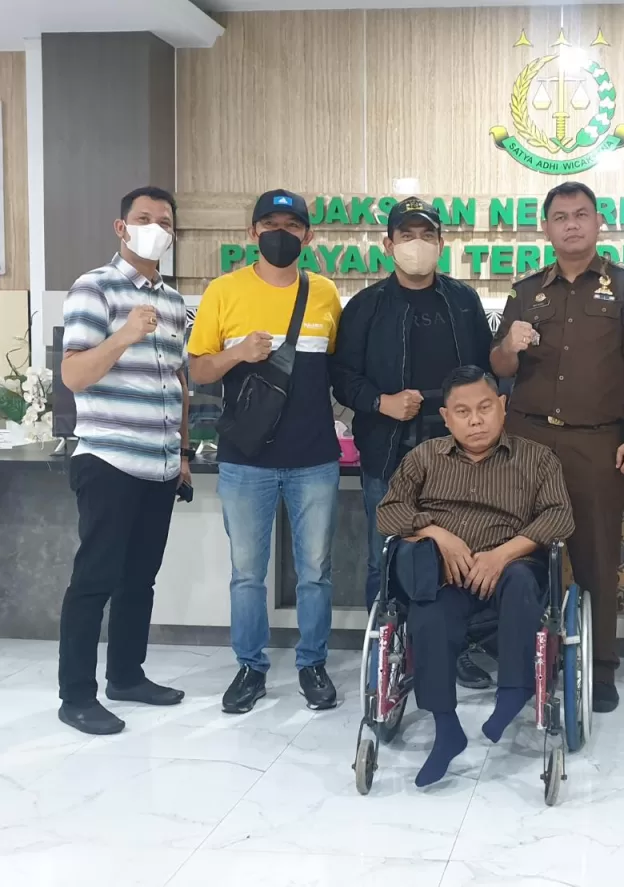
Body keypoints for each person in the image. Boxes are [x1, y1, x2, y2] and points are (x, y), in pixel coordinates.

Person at [491, 181, 624, 714]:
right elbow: (499, 366)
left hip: (598, 442)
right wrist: (509, 346)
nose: (571, 224)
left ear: (598, 223)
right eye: (560, 216)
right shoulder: (525, 291)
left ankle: (599, 667)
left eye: (581, 214)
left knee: (596, 556)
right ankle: (521, 659)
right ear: (546, 227)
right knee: (522, 551)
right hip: (528, 441)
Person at [377, 366, 574, 787]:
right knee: (426, 611)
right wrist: (437, 533)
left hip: (512, 567)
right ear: (446, 418)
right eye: (463, 412)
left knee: (522, 581)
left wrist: (502, 555)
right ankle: (446, 729)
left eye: (485, 408)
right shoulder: (425, 457)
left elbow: (560, 516)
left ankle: (514, 692)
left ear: (502, 407)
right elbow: (388, 512)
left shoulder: (537, 458)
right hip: (449, 575)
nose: (476, 420)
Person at [188, 189, 343, 715]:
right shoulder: (223, 291)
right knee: (247, 574)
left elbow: (335, 370)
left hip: (314, 457)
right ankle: (250, 668)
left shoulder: (324, 293)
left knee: (315, 572)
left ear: (308, 235)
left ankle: (313, 664)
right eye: (270, 224)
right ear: (251, 233)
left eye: (292, 225)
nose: (281, 234)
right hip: (245, 459)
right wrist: (237, 352)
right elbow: (198, 368)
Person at [332, 197, 495, 689]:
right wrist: (380, 402)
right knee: (384, 556)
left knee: (458, 555)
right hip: (388, 453)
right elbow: (342, 377)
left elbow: (486, 373)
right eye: (407, 236)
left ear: (441, 244)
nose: (417, 244)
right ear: (389, 245)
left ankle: (454, 650)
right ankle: (387, 655)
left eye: (426, 235)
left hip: (457, 458)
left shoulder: (463, 301)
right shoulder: (366, 306)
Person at [57, 186, 188, 735]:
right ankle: (76, 696)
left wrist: (181, 453)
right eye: (143, 218)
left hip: (160, 465)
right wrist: (126, 334)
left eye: (164, 221)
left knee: (140, 580)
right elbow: (73, 375)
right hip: (109, 460)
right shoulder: (94, 288)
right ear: (121, 227)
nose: (155, 228)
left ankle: (127, 677)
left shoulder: (175, 302)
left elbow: (177, 382)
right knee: (95, 579)